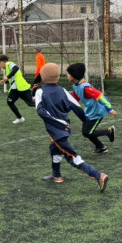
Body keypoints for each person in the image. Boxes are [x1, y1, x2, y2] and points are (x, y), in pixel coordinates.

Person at [35, 62, 109, 192]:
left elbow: (41, 111)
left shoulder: (40, 92)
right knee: (54, 149)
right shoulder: (63, 90)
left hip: (57, 131)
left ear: (42, 76)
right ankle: (57, 175)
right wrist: (84, 120)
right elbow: (76, 106)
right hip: (64, 128)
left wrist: (58, 122)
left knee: (72, 157)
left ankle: (99, 176)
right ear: (58, 77)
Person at [66, 63, 117, 154]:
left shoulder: (85, 87)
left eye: (68, 73)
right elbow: (74, 99)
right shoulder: (75, 86)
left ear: (74, 76)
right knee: (86, 132)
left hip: (97, 112)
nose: (67, 75)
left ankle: (109, 132)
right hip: (89, 112)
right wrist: (66, 108)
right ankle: (101, 147)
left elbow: (100, 96)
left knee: (87, 132)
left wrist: (109, 109)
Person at [0, 54, 35, 124]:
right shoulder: (6, 70)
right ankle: (45, 104)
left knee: (10, 102)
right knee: (30, 103)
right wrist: (5, 82)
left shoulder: (9, 64)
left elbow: (16, 68)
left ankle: (20, 118)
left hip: (18, 88)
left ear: (2, 62)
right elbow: (12, 80)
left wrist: (7, 77)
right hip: (20, 88)